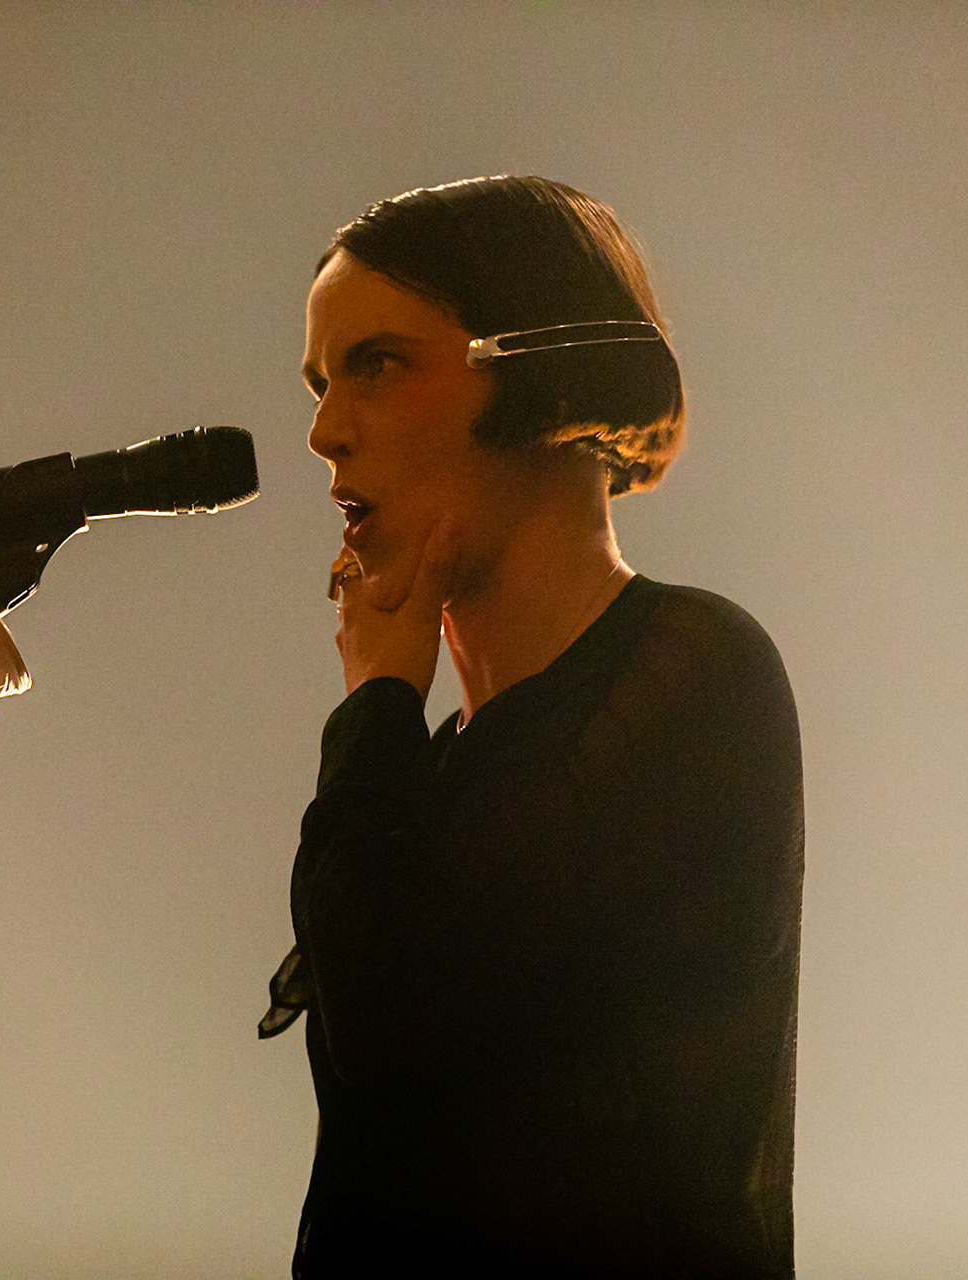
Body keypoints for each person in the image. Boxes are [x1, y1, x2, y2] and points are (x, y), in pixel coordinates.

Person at [259, 176, 804, 1278]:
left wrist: (376, 696)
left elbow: (397, 1023)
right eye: (319, 383)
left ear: (535, 374)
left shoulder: (694, 671)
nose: (323, 432)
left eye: (378, 363)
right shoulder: (440, 766)